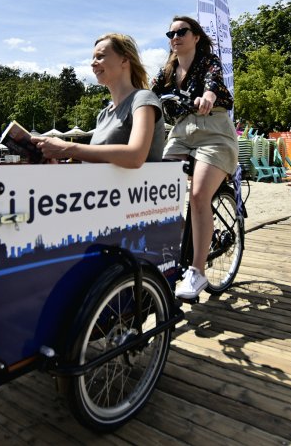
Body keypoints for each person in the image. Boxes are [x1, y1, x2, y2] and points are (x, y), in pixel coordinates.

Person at [151, 15, 238, 300]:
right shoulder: (166, 72)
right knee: (158, 188)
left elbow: (213, 82)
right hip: (180, 133)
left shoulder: (208, 62)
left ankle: (197, 271)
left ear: (196, 37)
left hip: (213, 130)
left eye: (181, 32)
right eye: (170, 33)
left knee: (199, 195)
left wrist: (208, 97)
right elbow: (147, 96)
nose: (174, 37)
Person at [33, 33, 165, 168]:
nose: (92, 63)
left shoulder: (143, 98)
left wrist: (67, 148)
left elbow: (135, 157)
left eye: (100, 57)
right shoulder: (103, 115)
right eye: (93, 58)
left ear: (125, 60)